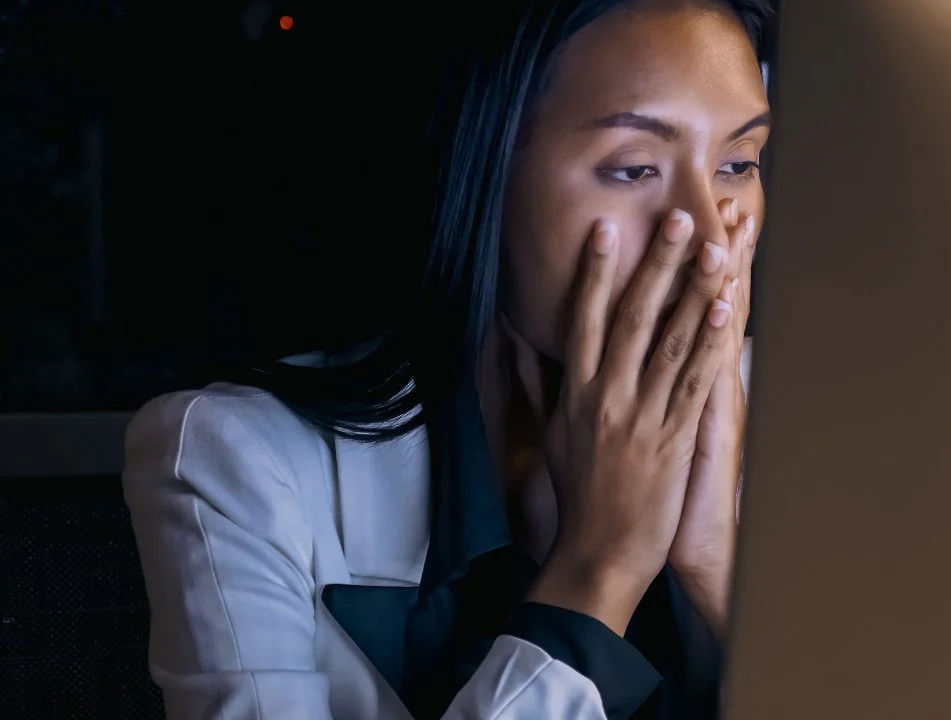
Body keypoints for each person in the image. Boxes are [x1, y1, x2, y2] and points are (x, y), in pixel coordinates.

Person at [122, 0, 771, 717]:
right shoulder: (233, 459)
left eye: (738, 164)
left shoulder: (805, 420)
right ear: (481, 169)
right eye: (633, 169)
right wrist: (599, 569)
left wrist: (722, 570)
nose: (710, 238)